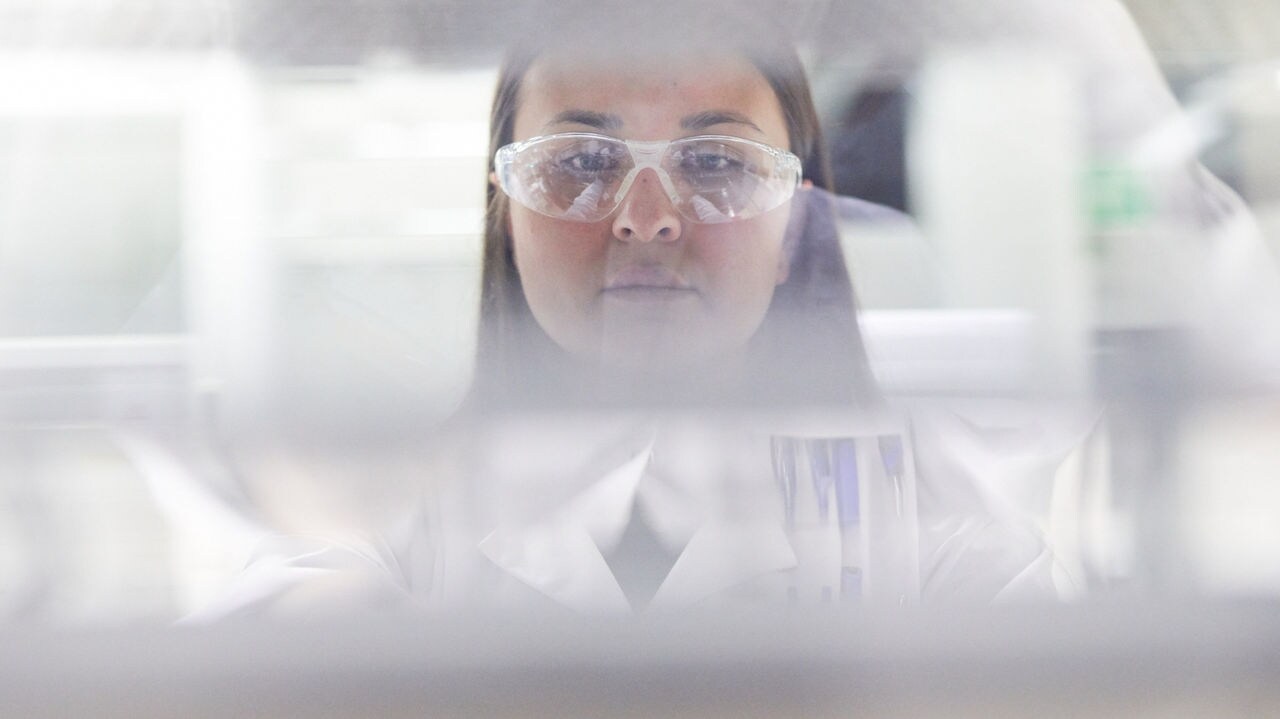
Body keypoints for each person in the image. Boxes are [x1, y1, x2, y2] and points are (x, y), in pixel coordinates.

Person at [188, 1, 1058, 620]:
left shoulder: (934, 523)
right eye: (582, 161)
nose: (647, 217)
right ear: (507, 208)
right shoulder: (393, 515)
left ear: (794, 223)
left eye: (716, 163)